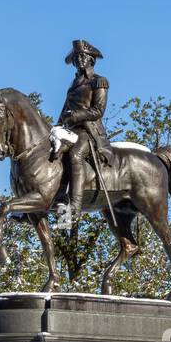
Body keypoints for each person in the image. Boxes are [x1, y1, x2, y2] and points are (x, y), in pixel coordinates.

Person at [56, 39, 111, 227]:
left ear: (91, 59)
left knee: (75, 155)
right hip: (69, 130)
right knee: (50, 155)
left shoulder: (99, 81)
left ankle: (74, 208)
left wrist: (76, 115)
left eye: (82, 57)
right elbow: (64, 111)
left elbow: (98, 111)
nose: (79, 60)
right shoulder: (73, 83)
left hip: (89, 131)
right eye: (76, 57)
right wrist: (56, 127)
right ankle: (55, 208)